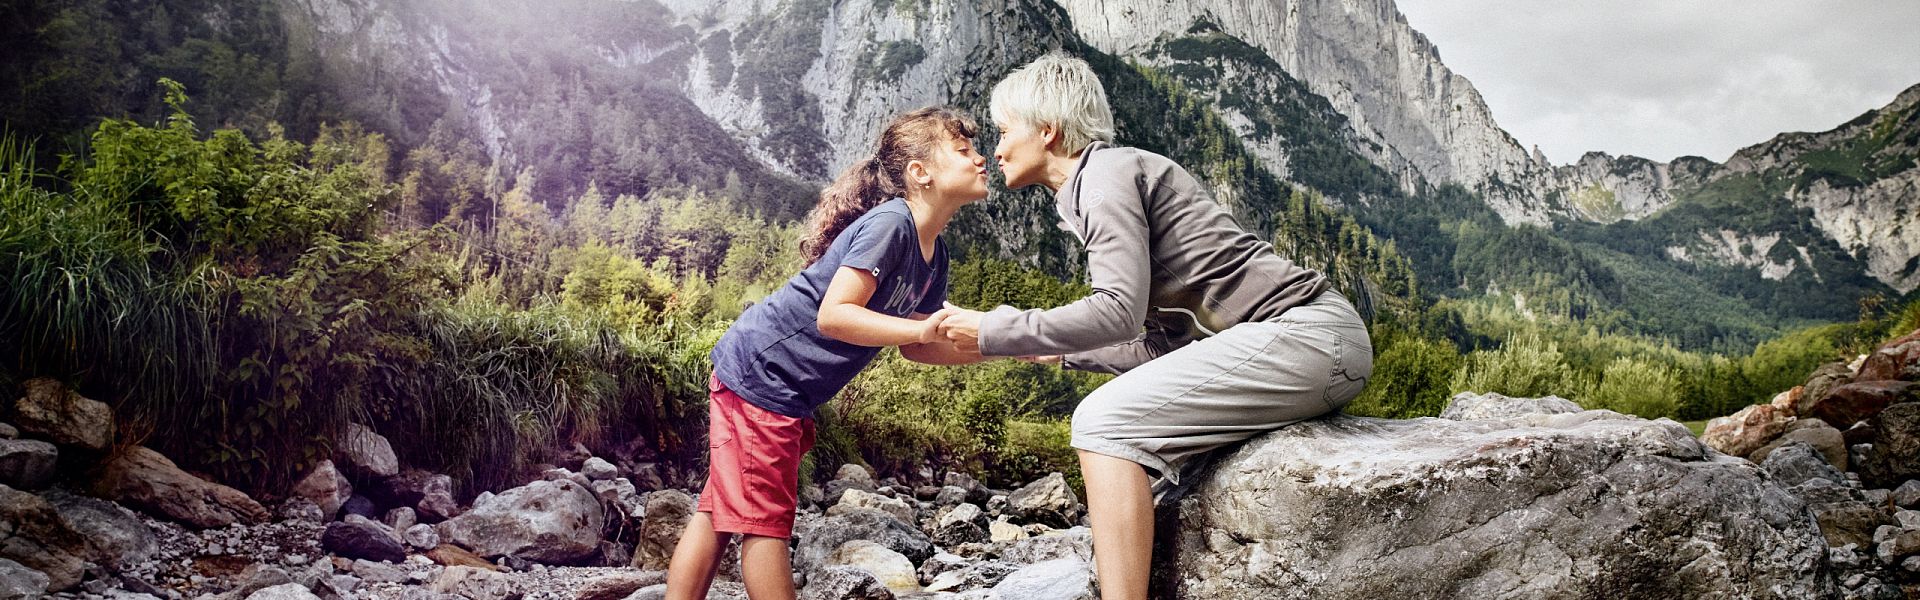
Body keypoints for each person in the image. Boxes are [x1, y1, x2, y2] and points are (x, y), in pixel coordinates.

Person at [938, 52, 1374, 599]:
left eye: (1004, 131)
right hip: (1311, 346)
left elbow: (1117, 309)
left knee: (1101, 421)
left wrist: (991, 331)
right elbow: (1161, 348)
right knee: (1114, 420)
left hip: (1309, 335)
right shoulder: (1102, 181)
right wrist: (1050, 352)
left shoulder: (1102, 178)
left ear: (1046, 130)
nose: (996, 149)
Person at [665, 106, 991, 600]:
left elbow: (917, 349)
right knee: (764, 521)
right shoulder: (892, 226)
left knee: (721, 509)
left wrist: (997, 345)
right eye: (964, 151)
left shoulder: (934, 254)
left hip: (779, 386)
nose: (981, 159)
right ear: (919, 173)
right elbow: (834, 315)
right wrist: (924, 328)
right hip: (764, 374)